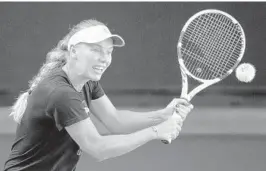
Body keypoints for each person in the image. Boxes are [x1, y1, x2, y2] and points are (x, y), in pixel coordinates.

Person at [3, 19, 193, 171]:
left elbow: (115, 121)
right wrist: (155, 132)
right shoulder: (61, 93)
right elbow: (98, 148)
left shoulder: (87, 82)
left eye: (109, 52)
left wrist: (163, 115)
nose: (104, 58)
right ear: (74, 51)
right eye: (96, 50)